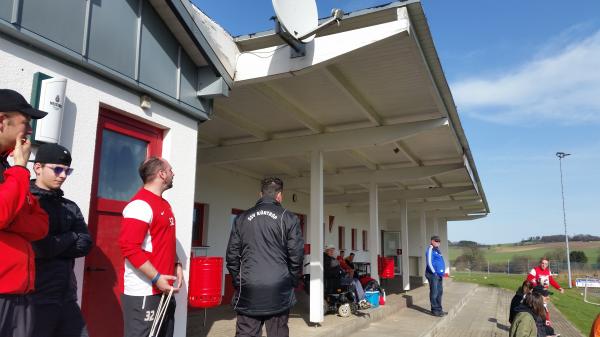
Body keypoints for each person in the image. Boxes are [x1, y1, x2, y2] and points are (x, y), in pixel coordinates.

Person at [226, 177, 304, 337]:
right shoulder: (289, 218)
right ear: (279, 195)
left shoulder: (241, 218)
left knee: (246, 333)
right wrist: (292, 280)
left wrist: (238, 280)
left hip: (249, 287)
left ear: (260, 194)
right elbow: (296, 255)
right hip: (279, 288)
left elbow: (232, 255)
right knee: (278, 333)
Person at [0, 89, 49, 337]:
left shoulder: (11, 171)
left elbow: (41, 225)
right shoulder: (17, 171)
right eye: (25, 123)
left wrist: (11, 220)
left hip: (20, 293)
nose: (29, 131)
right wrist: (20, 169)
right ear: (1, 121)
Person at [30, 143, 93, 337]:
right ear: (38, 167)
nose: (63, 175)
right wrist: (72, 236)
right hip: (35, 298)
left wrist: (59, 242)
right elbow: (40, 247)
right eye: (57, 169)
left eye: (67, 171)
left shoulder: (70, 206)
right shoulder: (28, 201)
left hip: (66, 296)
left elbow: (85, 244)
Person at [118, 157, 184, 337]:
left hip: (164, 291)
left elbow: (164, 239)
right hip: (145, 292)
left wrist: (177, 263)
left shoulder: (164, 203)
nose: (173, 174)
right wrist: (156, 278)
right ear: (161, 174)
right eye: (170, 170)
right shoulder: (139, 205)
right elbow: (129, 248)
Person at [324, 244, 370, 309]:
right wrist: (340, 272)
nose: (332, 252)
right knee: (354, 281)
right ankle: (361, 301)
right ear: (326, 251)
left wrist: (343, 272)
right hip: (335, 281)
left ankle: (360, 300)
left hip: (338, 278)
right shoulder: (327, 260)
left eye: (333, 250)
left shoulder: (331, 259)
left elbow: (338, 269)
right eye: (330, 251)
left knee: (355, 280)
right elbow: (329, 272)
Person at [425, 235, 446, 317]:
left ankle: (439, 310)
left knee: (439, 292)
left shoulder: (437, 250)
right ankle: (435, 310)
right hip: (433, 275)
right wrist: (434, 273)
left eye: (439, 241)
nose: (438, 242)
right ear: (432, 241)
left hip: (439, 275)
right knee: (434, 292)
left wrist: (441, 273)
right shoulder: (430, 250)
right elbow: (429, 263)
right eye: (436, 241)